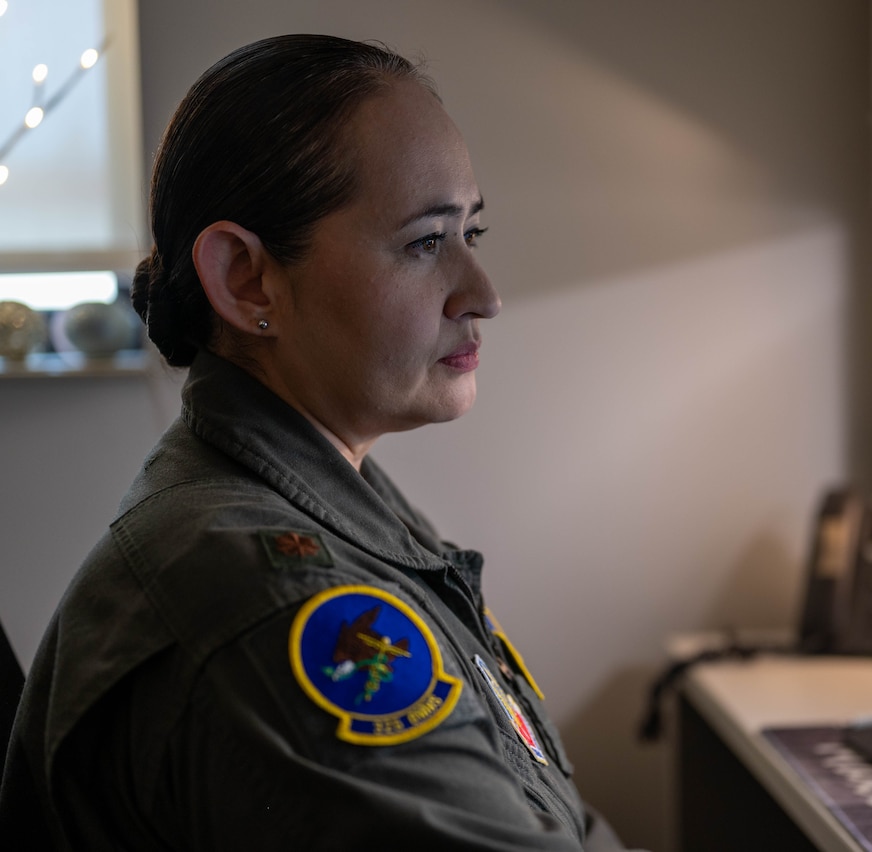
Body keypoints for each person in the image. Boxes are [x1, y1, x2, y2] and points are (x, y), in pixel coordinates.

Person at [0, 34, 638, 851]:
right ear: (246, 279)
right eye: (424, 243)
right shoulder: (276, 605)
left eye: (470, 234)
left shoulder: (334, 511)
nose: (484, 295)